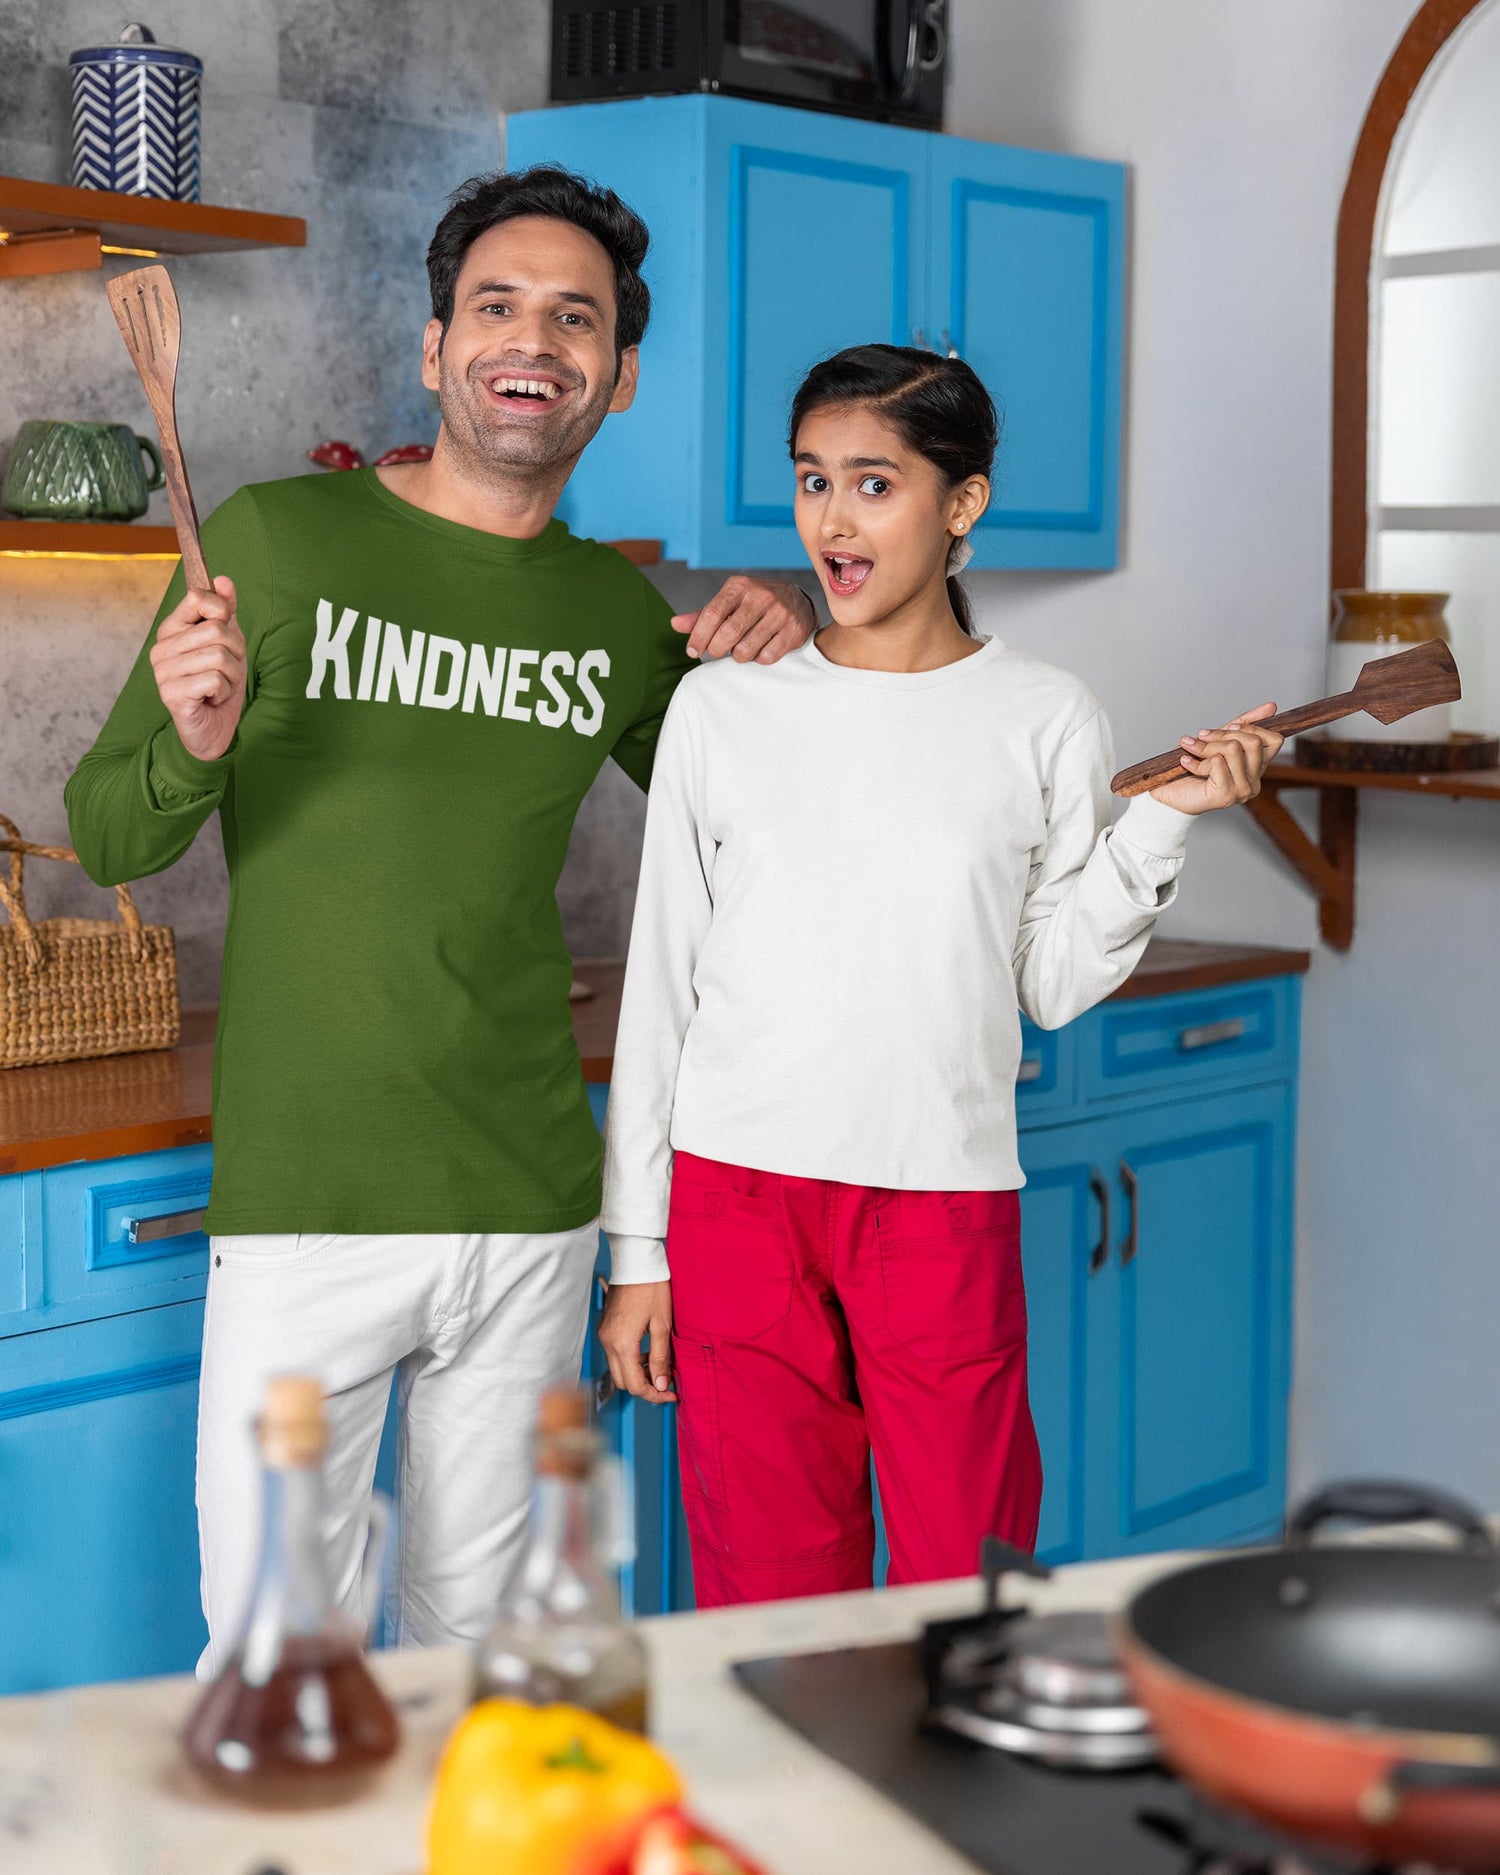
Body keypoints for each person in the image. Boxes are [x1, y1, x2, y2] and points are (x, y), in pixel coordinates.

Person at [64, 166, 816, 1667]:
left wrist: (787, 650)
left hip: (534, 1201)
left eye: (573, 316)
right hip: (306, 1208)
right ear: (433, 347)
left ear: (619, 371)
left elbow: (774, 835)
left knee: (497, 1648)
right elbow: (106, 829)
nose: (531, 339)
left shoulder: (612, 612)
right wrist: (195, 735)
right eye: (496, 305)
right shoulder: (271, 543)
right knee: (283, 1658)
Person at [597, 344, 1282, 1606]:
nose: (832, 521)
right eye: (812, 482)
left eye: (873, 483)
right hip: (738, 1198)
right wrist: (638, 1247)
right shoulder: (722, 712)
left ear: (961, 503)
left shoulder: (1047, 716)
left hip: (940, 1200)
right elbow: (664, 987)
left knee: (966, 1583)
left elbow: (1054, 979)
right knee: (765, 1583)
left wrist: (1164, 820)